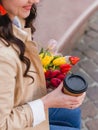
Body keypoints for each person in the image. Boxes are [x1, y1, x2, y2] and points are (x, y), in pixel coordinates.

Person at [0, 0, 86, 130]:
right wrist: (47, 102)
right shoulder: (3, 57)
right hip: (13, 121)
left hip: (19, 103)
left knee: (72, 113)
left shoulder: (13, 15)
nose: (35, 0)